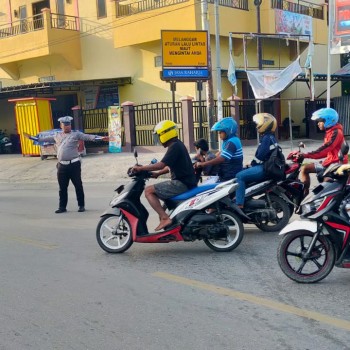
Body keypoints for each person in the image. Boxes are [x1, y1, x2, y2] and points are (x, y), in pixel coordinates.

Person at [23, 116, 109, 214]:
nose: (67, 127)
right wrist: (30, 137)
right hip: (62, 166)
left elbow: (88, 137)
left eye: (68, 125)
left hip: (74, 164)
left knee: (78, 185)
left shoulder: (76, 134)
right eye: (65, 125)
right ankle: (62, 207)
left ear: (70, 125)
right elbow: (41, 139)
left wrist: (102, 138)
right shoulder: (56, 136)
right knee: (62, 188)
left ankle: (81, 205)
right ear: (61, 125)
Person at [131, 120, 197, 231]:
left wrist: (141, 168)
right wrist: (157, 174)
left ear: (165, 134)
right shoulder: (177, 144)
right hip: (186, 182)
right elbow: (169, 166)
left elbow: (161, 164)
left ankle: (165, 218)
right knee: (156, 192)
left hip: (181, 184)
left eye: (158, 136)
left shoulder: (174, 147)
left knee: (148, 191)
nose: (158, 140)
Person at [298, 107, 347, 196]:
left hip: (335, 164)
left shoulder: (336, 132)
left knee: (325, 186)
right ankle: (304, 195)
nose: (318, 124)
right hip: (329, 162)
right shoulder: (330, 131)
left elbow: (325, 149)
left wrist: (306, 155)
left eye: (320, 121)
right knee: (305, 168)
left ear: (328, 121)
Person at [234, 113, 278, 208]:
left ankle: (239, 204)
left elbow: (260, 156)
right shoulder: (270, 137)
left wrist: (252, 165)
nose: (257, 125)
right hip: (267, 166)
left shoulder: (266, 139)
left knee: (239, 176)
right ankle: (246, 197)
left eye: (259, 123)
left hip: (264, 168)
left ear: (265, 124)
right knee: (242, 171)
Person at [194, 117, 243, 182]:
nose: (219, 134)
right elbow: (220, 153)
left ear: (228, 131)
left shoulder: (232, 142)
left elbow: (222, 158)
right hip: (225, 174)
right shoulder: (229, 141)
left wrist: (203, 164)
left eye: (221, 132)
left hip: (230, 176)